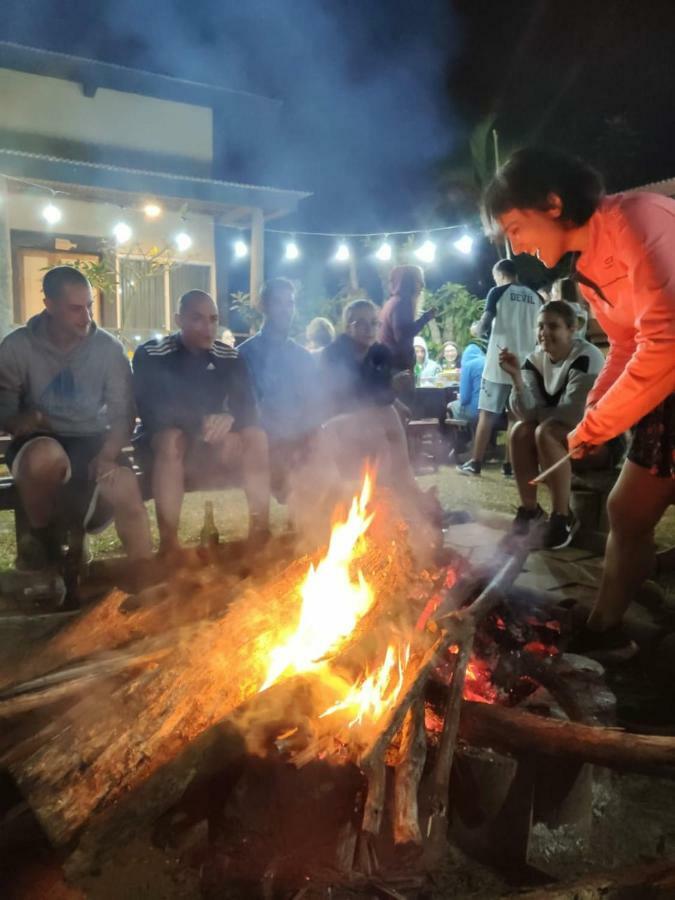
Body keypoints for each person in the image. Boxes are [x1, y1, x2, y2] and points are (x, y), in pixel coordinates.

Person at [482, 146, 675, 660]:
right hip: (665, 391)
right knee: (629, 511)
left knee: (627, 510)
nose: (514, 244)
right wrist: (592, 419)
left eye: (515, 227)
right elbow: (627, 346)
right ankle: (605, 628)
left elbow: (666, 339)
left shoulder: (638, 218)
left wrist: (603, 423)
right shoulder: (587, 270)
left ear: (551, 203)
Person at [0, 266, 152, 571]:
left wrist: (108, 455)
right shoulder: (18, 347)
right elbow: (5, 413)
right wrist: (29, 418)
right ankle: (46, 544)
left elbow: (124, 413)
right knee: (44, 457)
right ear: (50, 305)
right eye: (75, 309)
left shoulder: (108, 349)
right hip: (39, 440)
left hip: (93, 441)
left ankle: (147, 576)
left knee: (124, 486)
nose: (87, 318)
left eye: (90, 306)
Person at [133, 290, 270, 556]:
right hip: (162, 450)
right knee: (172, 438)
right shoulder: (152, 354)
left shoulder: (229, 356)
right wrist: (200, 424)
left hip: (210, 448)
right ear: (178, 320)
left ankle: (261, 532)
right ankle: (170, 545)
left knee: (255, 436)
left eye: (213, 319)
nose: (207, 327)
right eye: (197, 319)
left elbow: (250, 408)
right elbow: (153, 412)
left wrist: (231, 419)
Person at [318, 299, 442, 557]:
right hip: (334, 423)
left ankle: (389, 511)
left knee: (387, 428)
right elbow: (346, 396)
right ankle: (410, 491)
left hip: (370, 420)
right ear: (347, 326)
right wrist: (391, 393)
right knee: (388, 416)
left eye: (374, 322)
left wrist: (393, 397)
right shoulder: (334, 354)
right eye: (360, 323)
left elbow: (377, 393)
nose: (368, 328)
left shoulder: (380, 353)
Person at [499, 301, 608, 549]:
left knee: (544, 431)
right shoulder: (533, 360)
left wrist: (537, 413)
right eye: (540, 326)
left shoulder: (587, 356)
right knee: (519, 431)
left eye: (553, 326)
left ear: (571, 329)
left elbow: (573, 414)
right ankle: (530, 512)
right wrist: (516, 378)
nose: (544, 332)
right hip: (558, 440)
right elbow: (525, 413)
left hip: (600, 445)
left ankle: (562, 518)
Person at [238, 278, 323, 506]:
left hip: (300, 443)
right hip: (265, 445)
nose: (286, 310)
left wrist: (313, 438)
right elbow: (245, 409)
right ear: (263, 306)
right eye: (278, 303)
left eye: (290, 303)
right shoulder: (245, 355)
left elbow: (314, 407)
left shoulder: (303, 357)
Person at [458, 259, 541, 477]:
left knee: (487, 414)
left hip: (499, 362)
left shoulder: (497, 292)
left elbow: (484, 326)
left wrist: (475, 329)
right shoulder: (536, 297)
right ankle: (509, 466)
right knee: (515, 416)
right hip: (524, 365)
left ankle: (475, 462)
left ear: (499, 274)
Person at [379, 265, 437, 372]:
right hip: (397, 369)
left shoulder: (393, 302)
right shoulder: (402, 303)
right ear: (408, 282)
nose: (422, 285)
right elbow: (402, 336)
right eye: (418, 281)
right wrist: (425, 318)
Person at [447, 331, 485, 427]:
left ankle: (461, 439)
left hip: (476, 411)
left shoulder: (468, 365)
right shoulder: (488, 362)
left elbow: (464, 399)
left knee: (450, 406)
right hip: (496, 412)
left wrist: (460, 397)